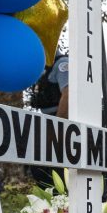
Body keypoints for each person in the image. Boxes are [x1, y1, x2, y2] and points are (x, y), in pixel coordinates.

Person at [28, 53, 68, 188]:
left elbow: (68, 95)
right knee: (40, 168)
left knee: (57, 170)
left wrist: (57, 126)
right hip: (47, 120)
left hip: (60, 121)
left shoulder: (61, 63)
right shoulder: (42, 67)